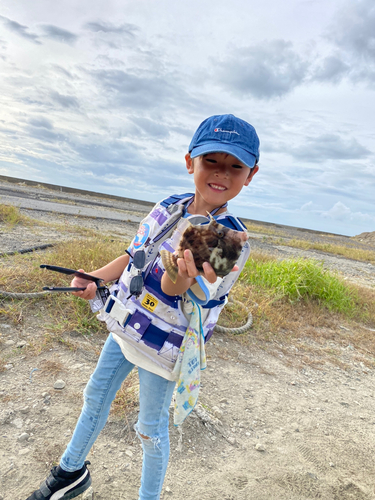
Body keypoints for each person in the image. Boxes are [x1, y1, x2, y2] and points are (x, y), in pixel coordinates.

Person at [26, 114, 260, 500]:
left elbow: (177, 292)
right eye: (211, 161)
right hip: (126, 324)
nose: (222, 173)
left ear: (250, 174)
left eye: (235, 166)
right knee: (95, 397)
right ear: (190, 162)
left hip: (165, 346)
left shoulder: (230, 240)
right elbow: (134, 254)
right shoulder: (168, 205)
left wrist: (180, 276)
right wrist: (96, 278)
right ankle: (70, 471)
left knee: (150, 428)